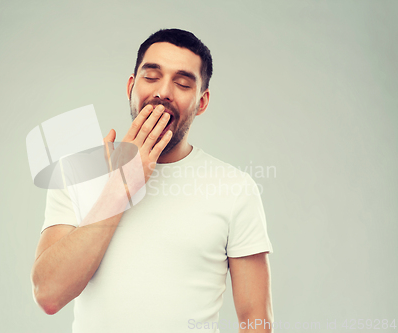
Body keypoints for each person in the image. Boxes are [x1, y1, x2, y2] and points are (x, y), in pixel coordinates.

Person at [31, 28, 274, 333]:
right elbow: (49, 295)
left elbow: (256, 321)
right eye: (151, 77)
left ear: (201, 102)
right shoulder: (77, 173)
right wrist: (119, 189)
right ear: (131, 86)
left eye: (183, 83)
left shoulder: (235, 189)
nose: (164, 92)